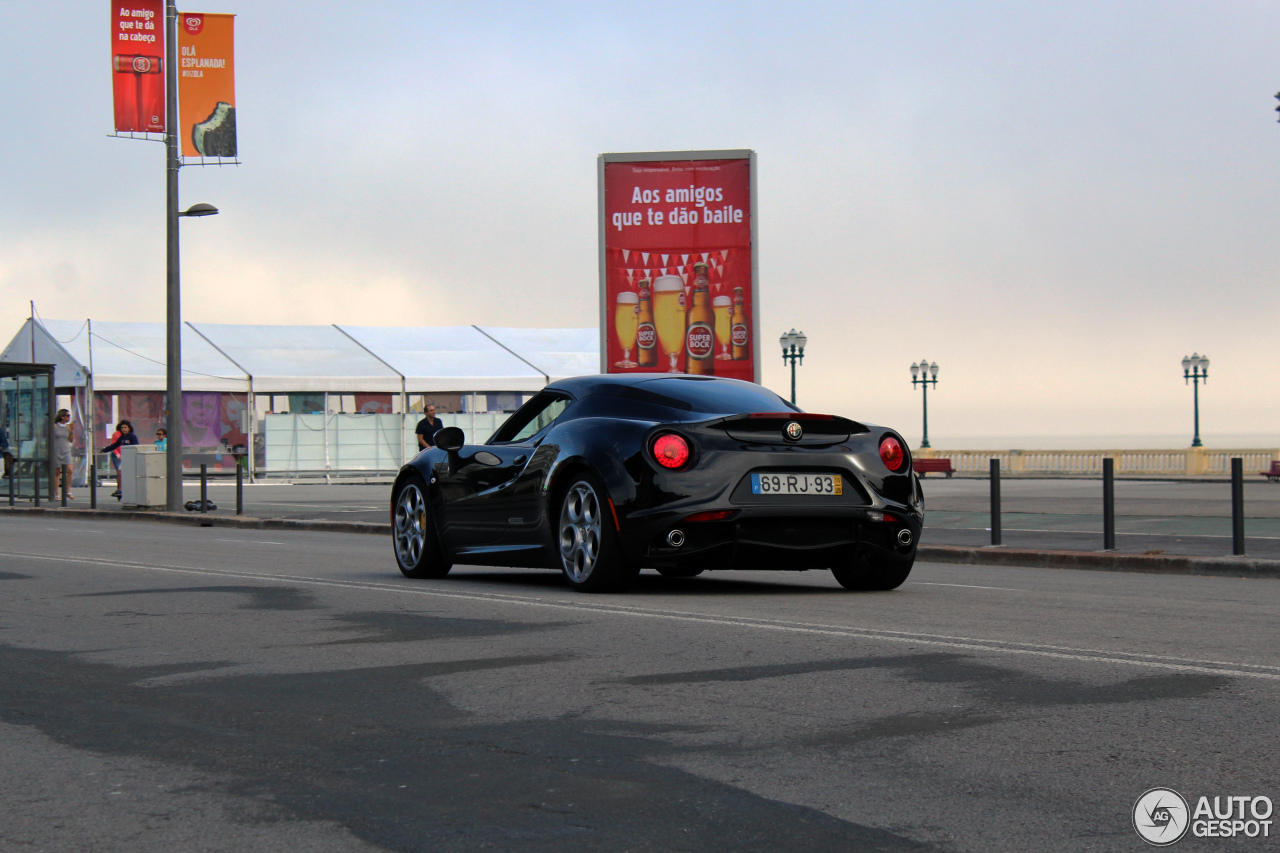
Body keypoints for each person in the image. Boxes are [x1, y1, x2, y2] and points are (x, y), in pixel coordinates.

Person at [99, 420, 139, 499]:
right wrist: (105, 450)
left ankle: (131, 490)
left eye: (125, 427)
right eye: (122, 428)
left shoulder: (132, 436)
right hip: (124, 458)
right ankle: (120, 489)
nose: (123, 429)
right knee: (120, 472)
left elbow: (136, 446)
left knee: (129, 475)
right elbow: (115, 445)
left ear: (129, 428)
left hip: (131, 458)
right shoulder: (121, 438)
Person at [52, 409, 75, 499]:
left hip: (66, 450)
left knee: (70, 470)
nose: (69, 417)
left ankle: (67, 491)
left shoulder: (68, 427)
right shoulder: (55, 426)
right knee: (57, 472)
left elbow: (71, 440)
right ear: (62, 416)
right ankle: (56, 493)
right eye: (68, 416)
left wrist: (72, 431)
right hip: (56, 451)